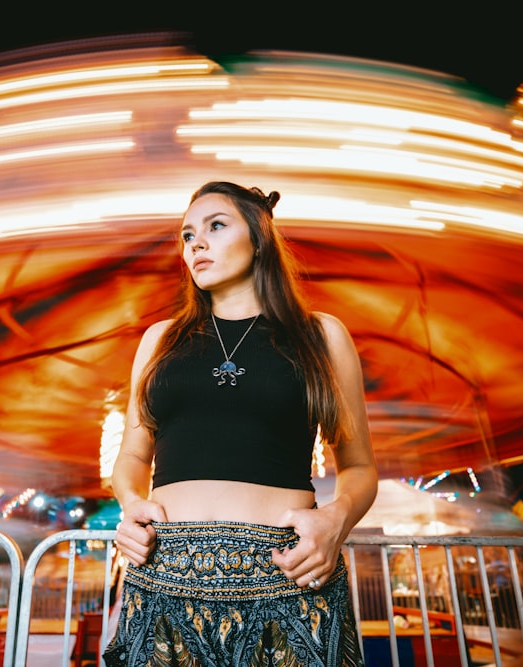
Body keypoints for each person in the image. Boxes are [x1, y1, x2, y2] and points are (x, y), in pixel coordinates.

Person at [103, 181, 379, 667]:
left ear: (259, 239)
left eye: (215, 226)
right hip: (166, 577)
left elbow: (359, 467)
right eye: (187, 235)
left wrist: (336, 520)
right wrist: (131, 506)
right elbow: (131, 458)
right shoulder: (159, 340)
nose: (196, 244)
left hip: (287, 578)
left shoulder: (320, 336)